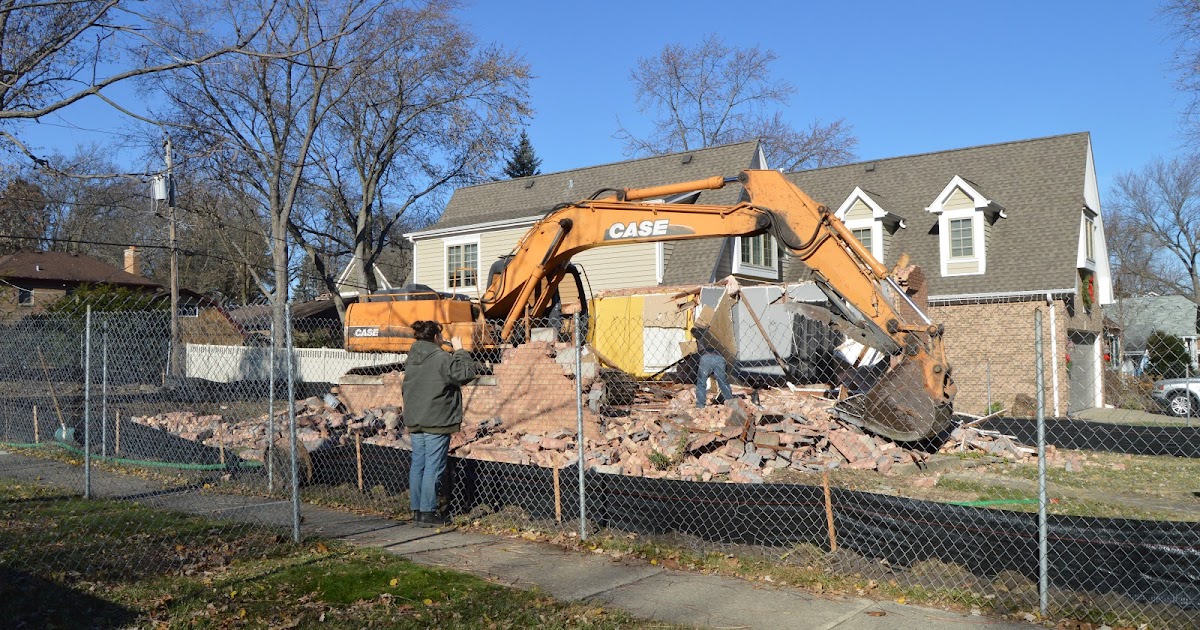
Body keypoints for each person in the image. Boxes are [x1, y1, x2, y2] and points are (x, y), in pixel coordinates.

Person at [402, 320, 476, 527]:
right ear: (436, 337)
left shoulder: (412, 358)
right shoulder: (441, 358)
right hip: (436, 418)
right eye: (441, 336)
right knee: (434, 466)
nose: (443, 339)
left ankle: (417, 510)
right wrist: (460, 351)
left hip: (415, 418)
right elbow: (465, 374)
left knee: (419, 464)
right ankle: (428, 512)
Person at [693, 324, 734, 408]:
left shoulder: (701, 340)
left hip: (705, 357)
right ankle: (731, 403)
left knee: (701, 383)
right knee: (723, 382)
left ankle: (700, 405)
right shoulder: (719, 340)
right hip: (719, 358)